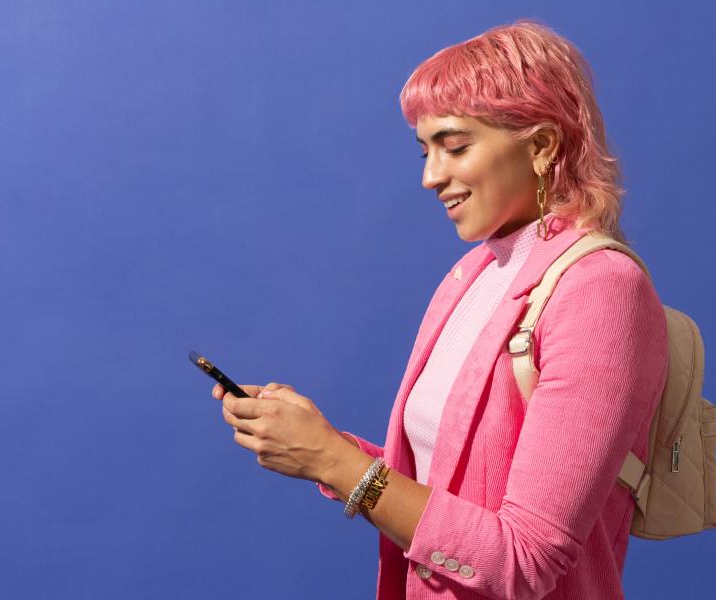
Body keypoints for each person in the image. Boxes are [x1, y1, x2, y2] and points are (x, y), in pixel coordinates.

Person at [213, 18, 668, 600]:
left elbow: (523, 560)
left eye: (455, 146)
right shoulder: (473, 275)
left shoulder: (601, 289)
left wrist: (333, 463)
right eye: (425, 149)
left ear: (542, 145)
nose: (431, 176)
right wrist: (321, 443)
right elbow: (448, 486)